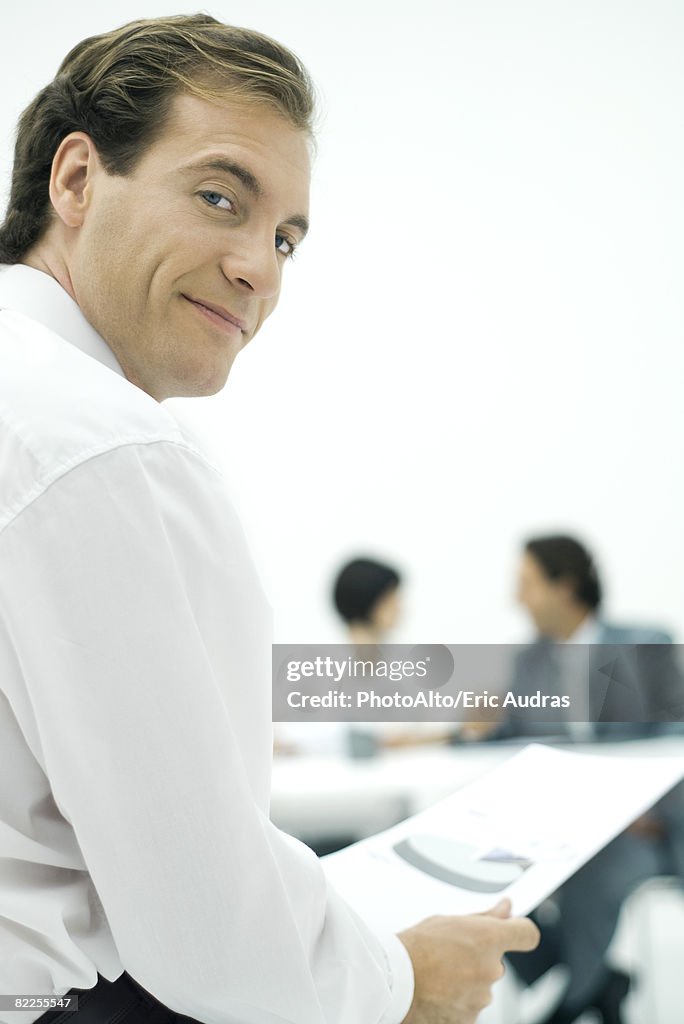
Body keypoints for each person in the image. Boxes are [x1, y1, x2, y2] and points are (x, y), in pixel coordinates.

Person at [0, 15, 539, 1024]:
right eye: (219, 198)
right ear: (75, 182)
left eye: (286, 237)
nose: (261, 269)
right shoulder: (100, 444)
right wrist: (406, 981)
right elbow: (211, 934)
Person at [494, 535, 684, 1024]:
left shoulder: (646, 644)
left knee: (591, 872)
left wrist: (646, 807)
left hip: (641, 831)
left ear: (567, 586)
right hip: (561, 827)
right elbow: (513, 738)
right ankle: (597, 982)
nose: (517, 599)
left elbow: (676, 732)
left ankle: (573, 1002)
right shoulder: (527, 664)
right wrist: (473, 728)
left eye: (527, 584)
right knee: (489, 873)